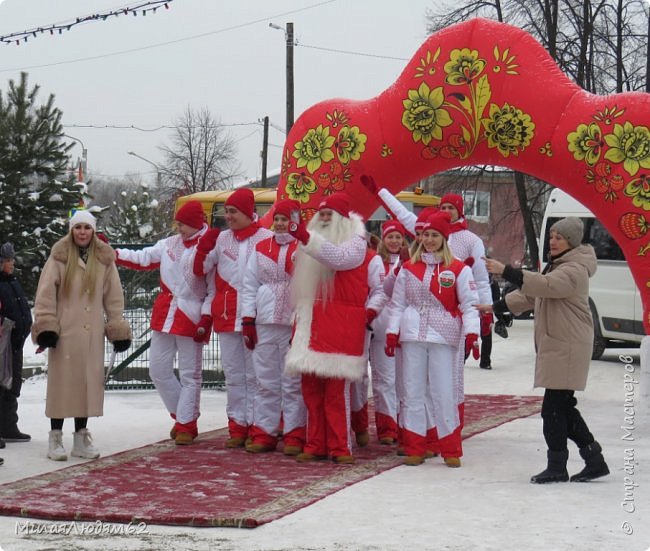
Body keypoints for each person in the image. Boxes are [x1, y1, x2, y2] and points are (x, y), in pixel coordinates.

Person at [483, 216, 610, 484]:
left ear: (572, 242)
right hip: (560, 344)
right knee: (563, 407)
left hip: (567, 345)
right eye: (551, 236)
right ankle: (593, 459)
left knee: (553, 410)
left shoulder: (574, 269)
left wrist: (507, 271)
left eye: (559, 237)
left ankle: (557, 466)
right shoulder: (560, 265)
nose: (552, 241)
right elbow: (533, 294)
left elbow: (547, 286)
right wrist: (496, 306)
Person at [285, 191, 385, 464]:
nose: (325, 218)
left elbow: (338, 258)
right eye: (322, 214)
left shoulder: (355, 243)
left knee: (334, 393)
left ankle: (340, 446)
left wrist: (306, 238)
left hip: (338, 323)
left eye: (330, 215)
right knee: (311, 389)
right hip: (310, 322)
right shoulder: (309, 247)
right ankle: (315, 443)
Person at [32, 210, 132, 461]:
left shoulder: (104, 260)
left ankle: (80, 437)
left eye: (87, 228)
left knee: (87, 384)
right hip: (65, 332)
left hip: (92, 334)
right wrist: (46, 326)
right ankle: (55, 436)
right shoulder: (59, 258)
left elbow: (114, 297)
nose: (83, 232)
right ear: (71, 230)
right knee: (62, 385)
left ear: (94, 230)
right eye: (78, 228)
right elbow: (45, 296)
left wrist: (116, 326)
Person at [116, 200, 214, 445]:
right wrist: (114, 254)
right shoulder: (169, 244)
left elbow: (213, 287)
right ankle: (185, 414)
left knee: (191, 374)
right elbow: (144, 257)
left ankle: (186, 423)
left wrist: (206, 316)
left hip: (191, 315)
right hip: (165, 313)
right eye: (177, 223)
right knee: (157, 370)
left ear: (195, 223)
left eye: (183, 224)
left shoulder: (210, 245)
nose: (178, 228)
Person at [385, 212, 479, 467]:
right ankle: (415, 446)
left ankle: (449, 448)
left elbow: (470, 304)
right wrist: (392, 332)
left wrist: (472, 332)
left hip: (443, 337)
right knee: (412, 391)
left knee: (442, 392)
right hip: (413, 335)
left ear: (444, 238)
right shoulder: (408, 268)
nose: (429, 239)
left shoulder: (458, 269)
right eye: (425, 235)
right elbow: (397, 304)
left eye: (434, 235)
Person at [193, 188, 273, 448]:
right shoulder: (221, 239)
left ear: (249, 213)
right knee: (234, 374)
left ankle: (258, 424)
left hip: (256, 316)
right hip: (227, 315)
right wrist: (203, 248)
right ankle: (237, 424)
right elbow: (200, 270)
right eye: (226, 211)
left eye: (233, 212)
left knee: (256, 375)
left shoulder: (266, 237)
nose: (228, 216)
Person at [240, 199, 306, 455]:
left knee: (292, 381)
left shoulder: (304, 248)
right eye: (277, 219)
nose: (280, 224)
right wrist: (248, 318)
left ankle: (294, 433)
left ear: (296, 221)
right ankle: (264, 432)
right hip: (265, 321)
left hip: (292, 322)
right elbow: (249, 285)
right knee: (265, 379)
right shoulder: (260, 248)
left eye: (285, 219)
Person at [364, 219, 408, 445]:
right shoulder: (376, 261)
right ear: (383, 239)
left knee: (405, 380)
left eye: (398, 237)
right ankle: (387, 428)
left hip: (404, 329)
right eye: (390, 236)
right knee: (384, 380)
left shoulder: (410, 261)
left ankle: (406, 425)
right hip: (380, 328)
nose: (393, 241)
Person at [0, 242, 32, 447]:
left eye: (12, 260)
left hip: (15, 343)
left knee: (12, 385)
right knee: (1, 384)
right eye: (8, 261)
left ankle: (9, 426)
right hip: (3, 344)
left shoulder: (12, 282)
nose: (12, 264)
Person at [478, 274, 502, 369]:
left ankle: (485, 361)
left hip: (487, 313)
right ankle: (461, 358)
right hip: (471, 310)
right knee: (468, 336)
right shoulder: (471, 279)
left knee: (487, 336)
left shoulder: (493, 284)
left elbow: (496, 302)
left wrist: (500, 318)